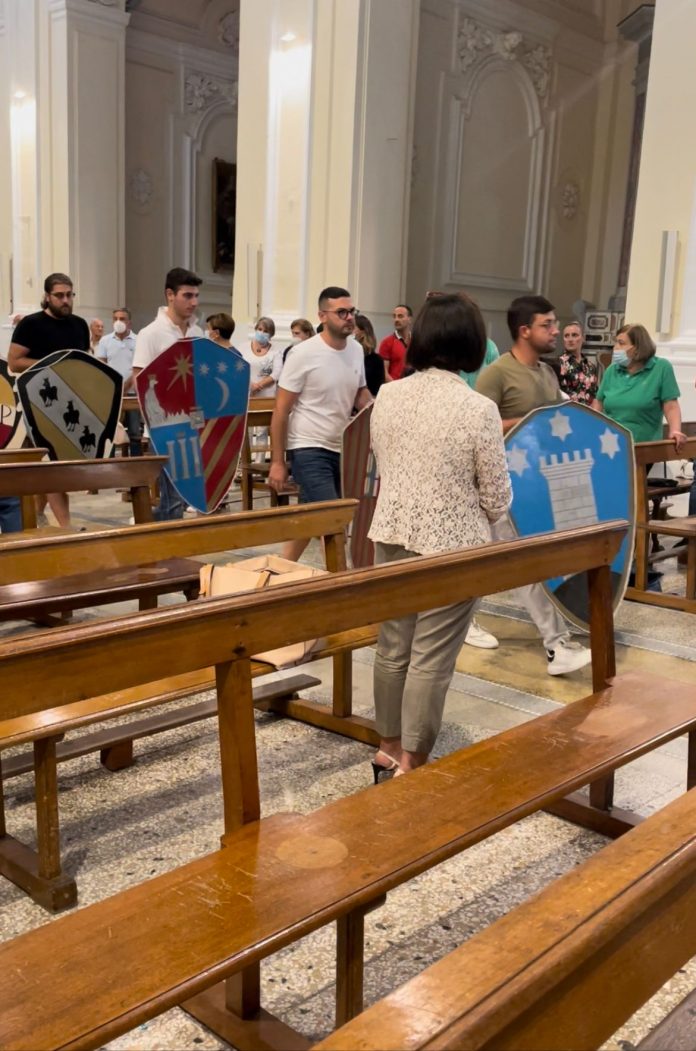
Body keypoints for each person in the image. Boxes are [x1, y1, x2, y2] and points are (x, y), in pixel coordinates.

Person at [369, 292, 511, 778]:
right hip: (451, 544)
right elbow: (496, 499)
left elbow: (382, 461)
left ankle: (386, 746)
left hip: (390, 530)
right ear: (474, 342)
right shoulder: (477, 409)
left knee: (392, 645)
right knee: (430, 657)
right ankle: (414, 759)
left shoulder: (388, 395)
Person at [476, 294, 592, 676]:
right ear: (524, 330)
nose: (556, 331)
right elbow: (478, 425)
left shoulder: (546, 372)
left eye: (556, 324)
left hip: (539, 485)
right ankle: (557, 645)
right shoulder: (497, 373)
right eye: (548, 324)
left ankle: (458, 620)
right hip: (503, 486)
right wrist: (529, 419)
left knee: (493, 562)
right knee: (525, 563)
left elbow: (556, 419)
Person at [268, 286, 371, 560]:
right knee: (333, 517)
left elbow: (361, 394)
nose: (349, 317)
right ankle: (339, 584)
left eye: (352, 311)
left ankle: (276, 570)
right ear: (322, 316)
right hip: (308, 447)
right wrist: (278, 462)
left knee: (309, 520)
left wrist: (380, 410)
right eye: (341, 312)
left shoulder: (356, 350)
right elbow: (280, 411)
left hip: (342, 446)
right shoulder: (303, 353)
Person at [9, 272, 91, 527]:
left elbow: (83, 360)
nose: (65, 300)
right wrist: (52, 366)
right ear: (47, 297)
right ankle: (66, 527)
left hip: (70, 403)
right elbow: (14, 361)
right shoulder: (31, 324)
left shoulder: (79, 324)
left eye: (69, 294)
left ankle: (35, 517)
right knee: (54, 465)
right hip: (38, 402)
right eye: (59, 295)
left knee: (53, 466)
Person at [132, 267, 204, 520]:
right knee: (172, 495)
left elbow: (200, 379)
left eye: (196, 295)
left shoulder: (197, 333)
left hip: (193, 421)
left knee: (187, 495)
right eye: (187, 295)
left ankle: (148, 526)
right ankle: (167, 552)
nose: (194, 302)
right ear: (170, 295)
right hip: (164, 423)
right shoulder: (150, 334)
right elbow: (139, 379)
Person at [592, 323, 685, 449]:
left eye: (621, 343)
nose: (615, 348)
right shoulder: (612, 370)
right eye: (616, 343)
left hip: (644, 448)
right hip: (610, 448)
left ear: (637, 348)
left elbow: (671, 406)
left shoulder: (661, 368)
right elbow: (598, 403)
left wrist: (675, 431)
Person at [97, 308, 141, 455]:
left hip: (133, 392)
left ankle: (136, 466)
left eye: (122, 319)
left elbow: (139, 367)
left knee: (135, 433)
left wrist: (127, 385)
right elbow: (101, 367)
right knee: (111, 431)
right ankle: (110, 464)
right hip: (112, 394)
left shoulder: (138, 340)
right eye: (115, 318)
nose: (118, 321)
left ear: (129, 322)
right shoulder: (105, 341)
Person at [558, 320, 598, 405]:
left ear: (583, 338)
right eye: (566, 336)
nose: (570, 339)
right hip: (566, 415)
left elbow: (595, 396)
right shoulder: (558, 364)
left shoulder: (591, 367)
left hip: (588, 415)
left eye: (574, 335)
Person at [238, 316, 281, 396]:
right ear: (256, 329)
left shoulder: (276, 351)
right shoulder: (243, 347)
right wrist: (251, 385)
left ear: (271, 334)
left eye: (266, 331)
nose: (262, 333)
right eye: (260, 329)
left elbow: (277, 373)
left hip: (267, 395)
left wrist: (258, 386)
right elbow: (238, 368)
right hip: (245, 392)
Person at [378, 303, 412, 381]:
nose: (396, 319)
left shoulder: (417, 342)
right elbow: (384, 373)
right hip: (394, 387)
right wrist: (396, 388)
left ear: (409, 319)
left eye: (400, 316)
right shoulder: (386, 343)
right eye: (394, 316)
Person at [355, 313, 385, 398]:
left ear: (363, 332)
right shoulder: (348, 356)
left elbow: (378, 392)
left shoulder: (376, 360)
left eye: (353, 328)